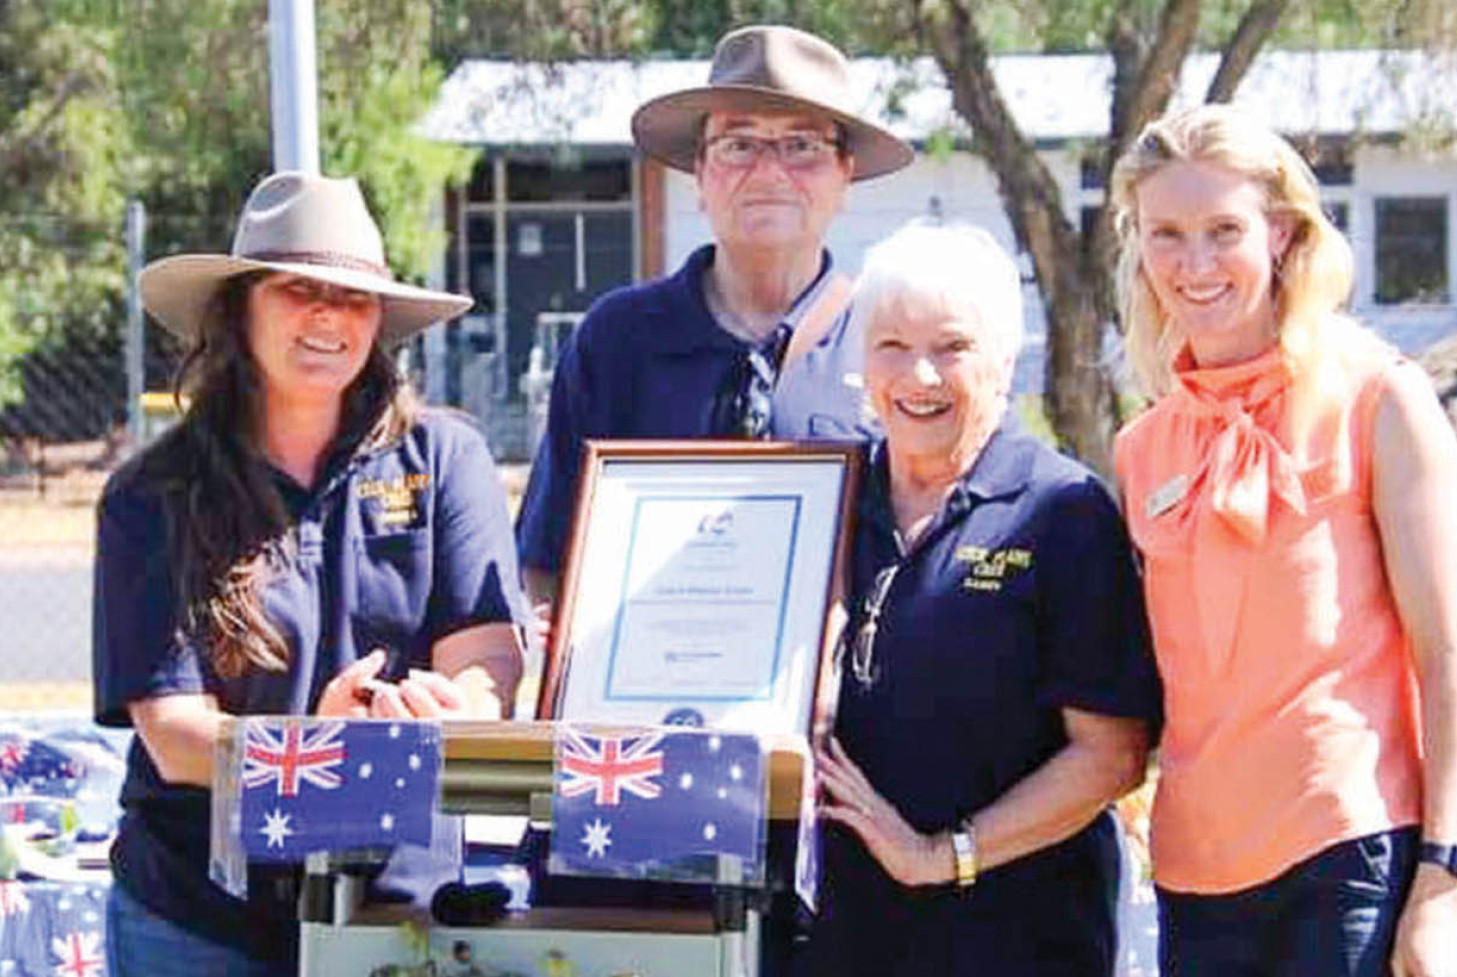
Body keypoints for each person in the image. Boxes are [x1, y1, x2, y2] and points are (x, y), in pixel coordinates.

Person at [92, 172, 526, 975]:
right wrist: (317, 747)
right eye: (300, 289)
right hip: (201, 917)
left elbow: (490, 661)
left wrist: (447, 707)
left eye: (355, 297)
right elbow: (179, 740)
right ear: (238, 309)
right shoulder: (152, 493)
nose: (330, 316)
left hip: (400, 908)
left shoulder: (446, 458)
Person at [1111, 104, 1457, 977]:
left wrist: (1447, 878)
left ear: (1279, 233)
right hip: (1194, 879)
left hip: (1351, 856)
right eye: (1168, 234)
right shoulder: (1140, 448)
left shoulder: (1383, 400)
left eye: (1223, 229)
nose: (1194, 264)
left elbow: (1452, 657)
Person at [813, 222, 1160, 975]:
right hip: (848, 932)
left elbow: (1112, 755)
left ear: (1005, 358)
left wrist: (942, 856)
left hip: (1020, 935)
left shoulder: (1061, 511)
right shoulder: (828, 500)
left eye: (952, 347)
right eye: (892, 347)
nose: (921, 377)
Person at [515, 24, 914, 606]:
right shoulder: (618, 341)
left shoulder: (894, 338)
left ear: (844, 175)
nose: (771, 171)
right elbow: (549, 559)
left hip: (854, 696)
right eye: (738, 144)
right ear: (700, 174)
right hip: (642, 687)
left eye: (803, 145)